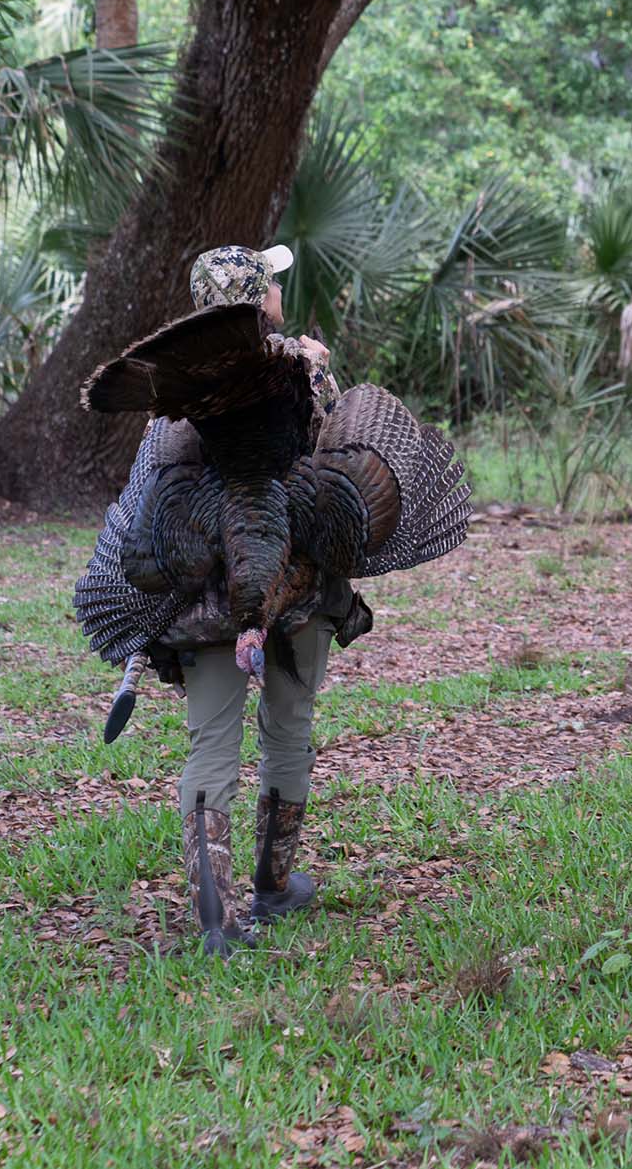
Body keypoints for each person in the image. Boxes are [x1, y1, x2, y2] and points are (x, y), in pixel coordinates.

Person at [158, 244, 365, 954]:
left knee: (211, 739)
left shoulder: (174, 390)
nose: (279, 290)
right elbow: (339, 457)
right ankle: (273, 886)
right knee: (288, 727)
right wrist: (323, 369)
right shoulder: (301, 371)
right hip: (298, 581)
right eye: (270, 283)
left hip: (205, 594)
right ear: (260, 301)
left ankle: (214, 924)